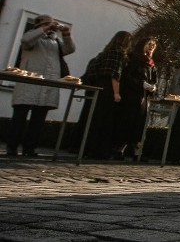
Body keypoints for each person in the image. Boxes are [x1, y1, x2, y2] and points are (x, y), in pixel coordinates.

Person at [6, 14, 75, 157]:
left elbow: (70, 50)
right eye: (47, 25)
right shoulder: (31, 37)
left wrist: (67, 35)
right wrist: (45, 29)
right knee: (19, 118)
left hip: (47, 84)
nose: (51, 28)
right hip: (29, 83)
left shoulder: (55, 42)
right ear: (39, 26)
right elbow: (26, 40)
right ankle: (12, 147)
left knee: (38, 120)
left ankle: (29, 148)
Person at [81, 30, 132, 159]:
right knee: (105, 121)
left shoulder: (105, 53)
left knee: (97, 119)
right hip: (108, 89)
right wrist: (116, 93)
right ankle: (100, 150)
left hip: (99, 87)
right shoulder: (117, 53)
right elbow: (114, 74)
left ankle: (91, 149)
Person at [114, 36, 158, 160]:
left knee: (140, 125)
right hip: (131, 96)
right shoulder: (133, 58)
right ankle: (119, 149)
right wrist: (140, 83)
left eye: (153, 45)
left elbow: (154, 78)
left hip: (144, 98)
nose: (151, 47)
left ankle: (137, 152)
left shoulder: (151, 62)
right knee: (127, 122)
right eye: (149, 44)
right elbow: (127, 77)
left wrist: (153, 87)